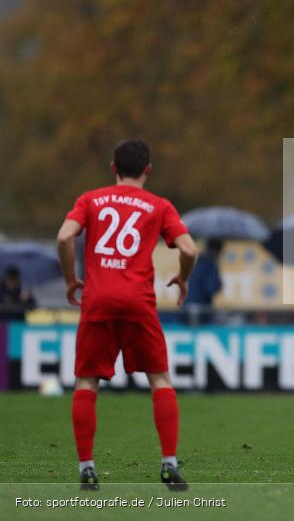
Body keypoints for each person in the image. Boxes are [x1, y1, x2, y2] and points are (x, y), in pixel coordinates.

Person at [56, 139, 198, 491]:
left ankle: (87, 468)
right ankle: (168, 464)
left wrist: (71, 279)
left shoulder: (90, 200)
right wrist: (183, 277)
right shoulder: (159, 205)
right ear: (148, 169)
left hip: (98, 299)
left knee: (87, 382)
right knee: (160, 381)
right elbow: (189, 248)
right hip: (138, 302)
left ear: (112, 167)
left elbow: (63, 238)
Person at [184, 238, 223, 325]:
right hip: (202, 310)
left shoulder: (196, 261)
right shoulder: (210, 264)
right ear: (218, 250)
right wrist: (219, 283)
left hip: (187, 307)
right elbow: (211, 288)